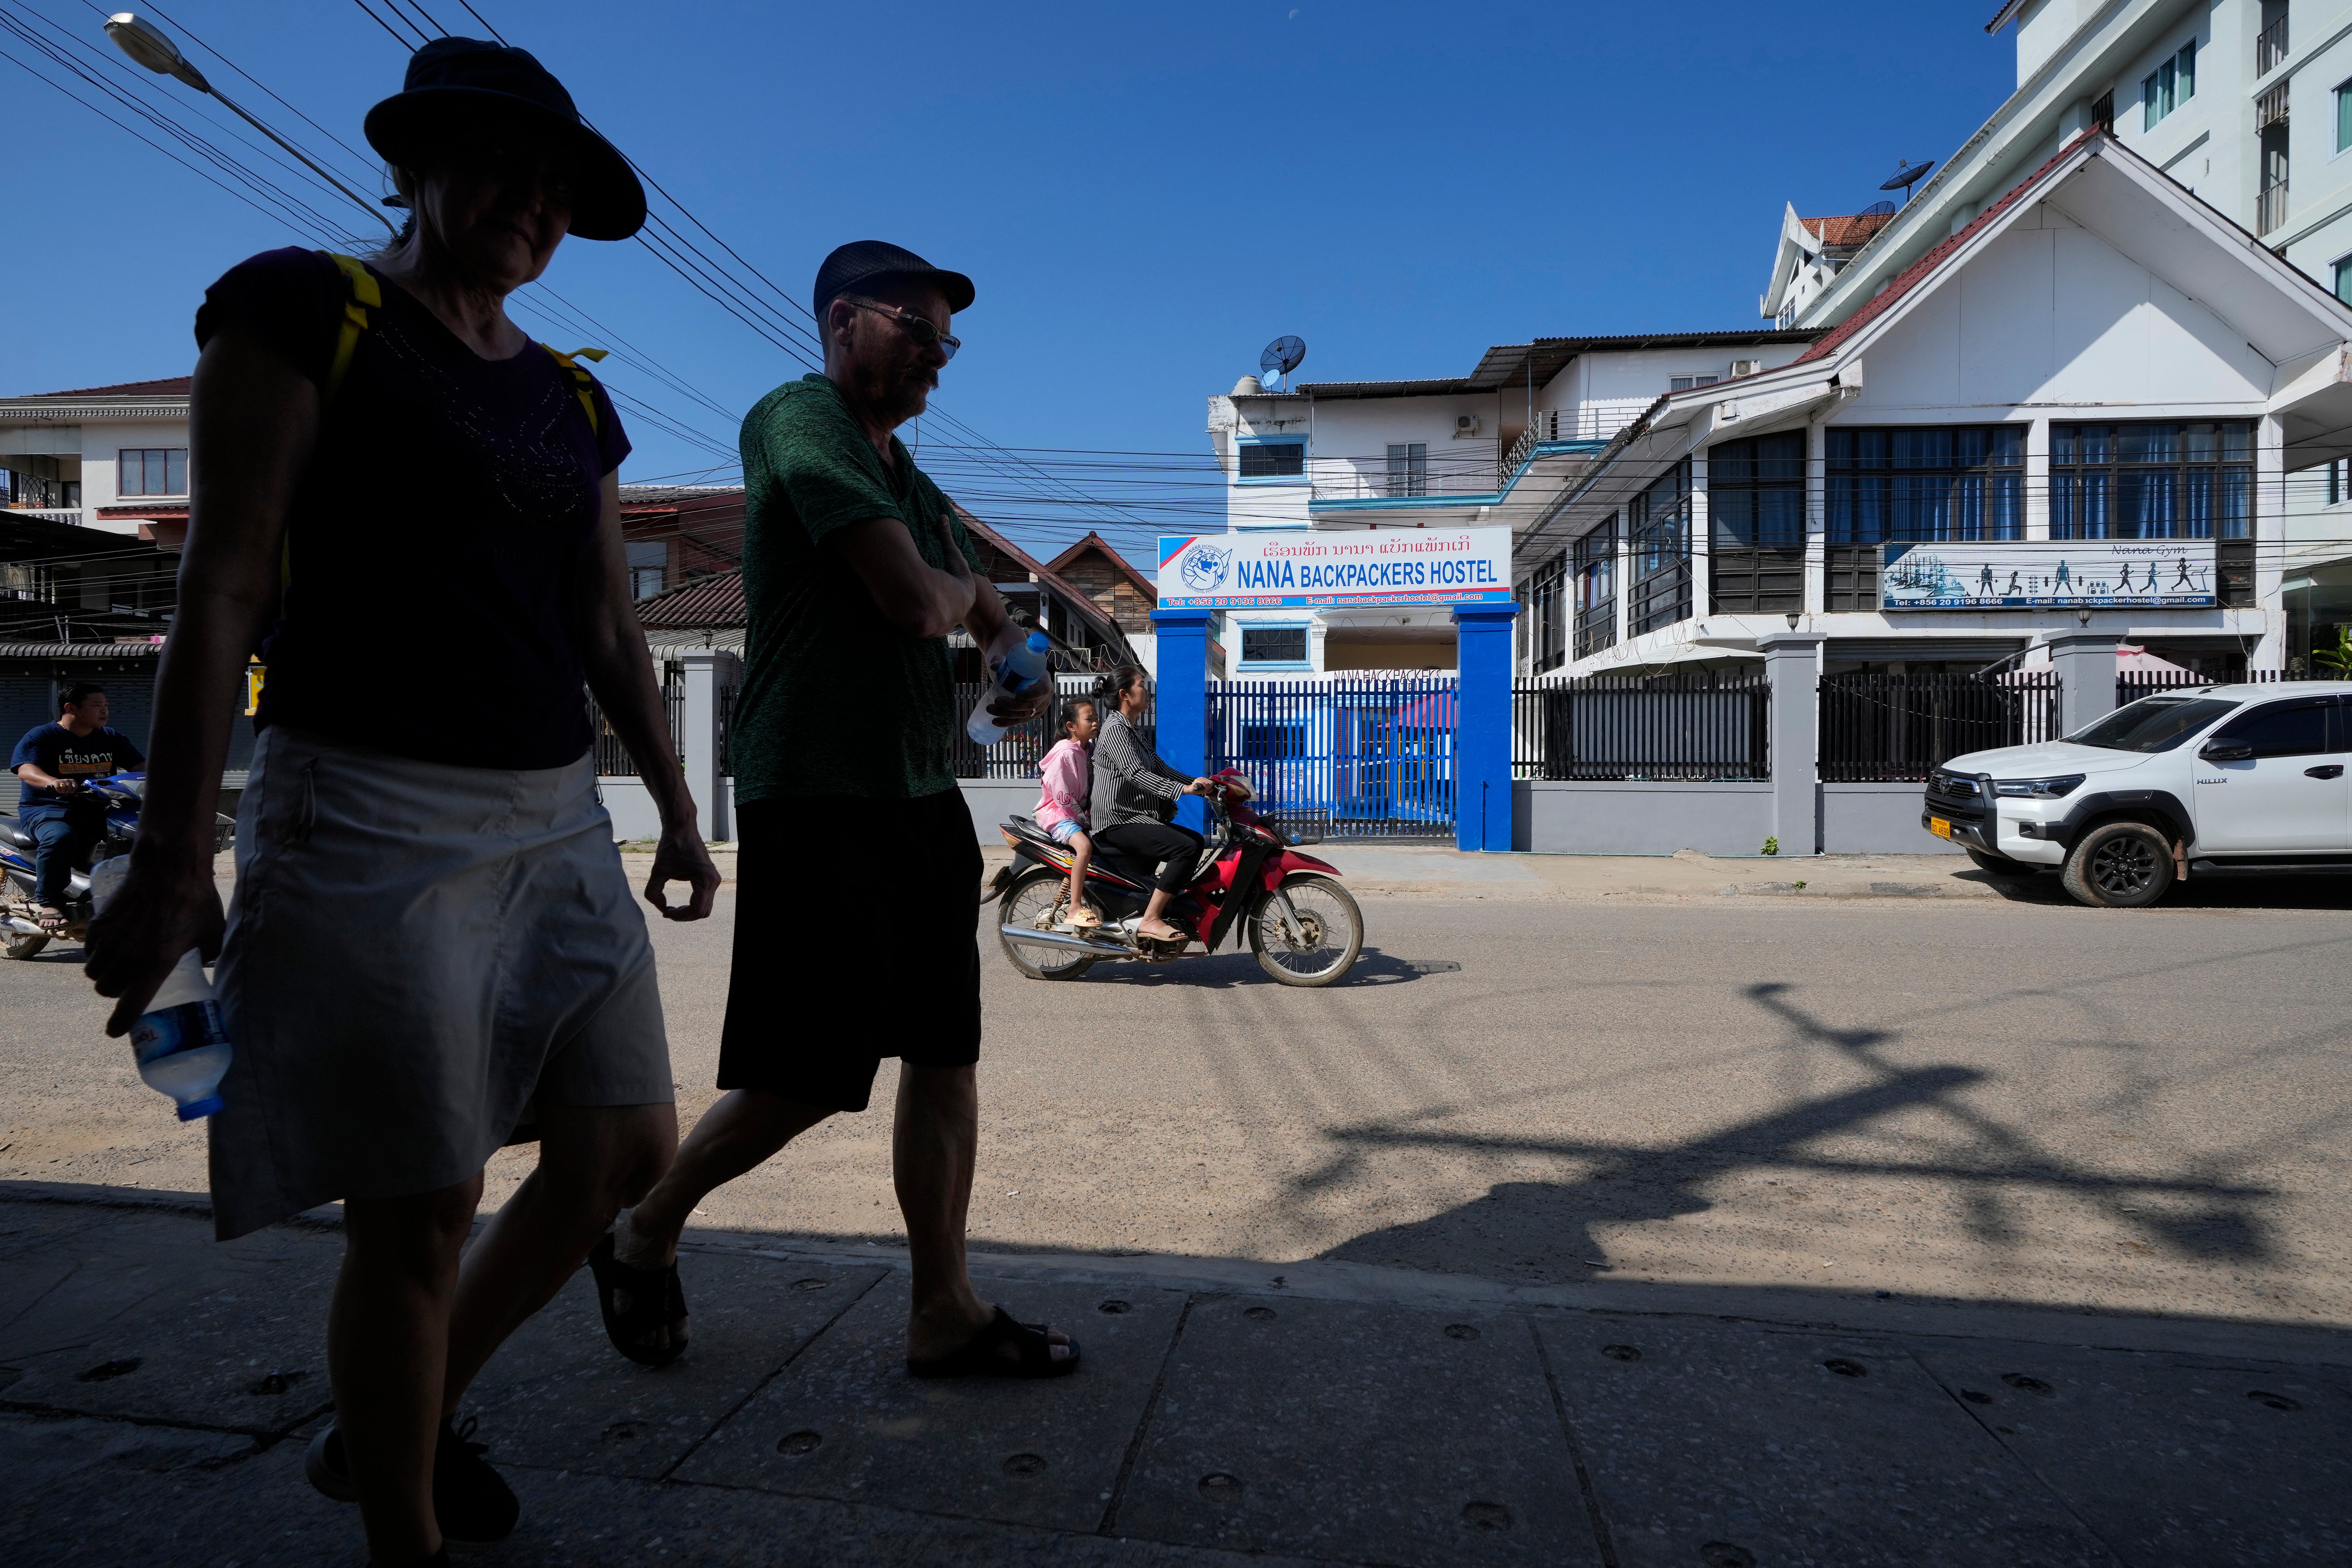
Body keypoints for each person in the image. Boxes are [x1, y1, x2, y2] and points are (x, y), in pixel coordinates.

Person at [82, 38, 718, 1568]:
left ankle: (398, 1423)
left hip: (554, 810)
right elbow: (223, 576)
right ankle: (405, 1537)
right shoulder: (305, 308)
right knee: (420, 1200)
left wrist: (680, 812)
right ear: (416, 163)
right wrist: (173, 855)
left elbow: (609, 627)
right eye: (502, 168)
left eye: (556, 190)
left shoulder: (571, 399)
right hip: (360, 802)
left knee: (624, 1146)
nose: (529, 206)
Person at [596, 240, 1078, 1382]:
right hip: (814, 787)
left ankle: (943, 1308)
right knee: (810, 1071)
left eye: (946, 345)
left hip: (917, 789)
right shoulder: (797, 420)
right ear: (843, 320)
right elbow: (922, 601)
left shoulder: (907, 477)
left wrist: (1018, 654)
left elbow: (986, 611)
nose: (935, 360)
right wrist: (967, 603)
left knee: (945, 1054)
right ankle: (643, 1229)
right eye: (916, 332)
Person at [1089, 664, 1215, 945]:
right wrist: (1183, 790)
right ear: (1125, 694)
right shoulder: (1115, 730)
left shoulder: (1133, 730)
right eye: (1141, 686)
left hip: (1135, 816)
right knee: (1185, 847)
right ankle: (1151, 918)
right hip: (1117, 820)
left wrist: (1201, 786)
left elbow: (1160, 768)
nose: (1147, 693)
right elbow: (1136, 773)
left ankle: (1166, 909)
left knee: (1194, 839)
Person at [9, 683, 144, 932]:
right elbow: (26, 769)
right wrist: (53, 782)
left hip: (98, 809)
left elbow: (141, 768)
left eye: (106, 706)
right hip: (47, 809)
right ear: (71, 708)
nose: (105, 711)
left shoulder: (110, 737)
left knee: (139, 835)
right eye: (97, 706)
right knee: (60, 837)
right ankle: (49, 901)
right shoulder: (43, 736)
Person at [1036, 697, 1099, 929]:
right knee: (1084, 847)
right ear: (1072, 726)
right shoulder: (1065, 753)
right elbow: (1063, 798)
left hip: (1078, 813)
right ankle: (1074, 907)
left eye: (1096, 718)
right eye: (1089, 719)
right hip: (1058, 815)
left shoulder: (1089, 749)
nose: (1095, 723)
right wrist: (1084, 821)